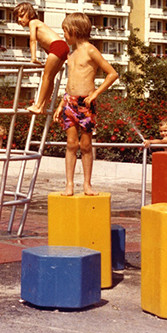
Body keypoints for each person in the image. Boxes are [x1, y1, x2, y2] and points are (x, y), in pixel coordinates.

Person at [52, 12, 118, 196]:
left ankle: (87, 184)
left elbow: (112, 73)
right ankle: (70, 184)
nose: (64, 36)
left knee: (86, 145)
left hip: (85, 103)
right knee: (71, 144)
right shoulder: (71, 55)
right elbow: (70, 83)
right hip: (69, 102)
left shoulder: (90, 50)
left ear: (73, 31)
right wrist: (61, 104)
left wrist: (95, 93)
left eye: (65, 32)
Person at [14, 2, 69, 114]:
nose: (19, 20)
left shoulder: (33, 22)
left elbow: (32, 40)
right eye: (17, 18)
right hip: (62, 47)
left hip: (57, 46)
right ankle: (43, 106)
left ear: (29, 14)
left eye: (21, 16)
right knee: (50, 78)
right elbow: (45, 44)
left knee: (46, 76)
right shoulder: (39, 24)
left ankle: (38, 105)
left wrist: (33, 57)